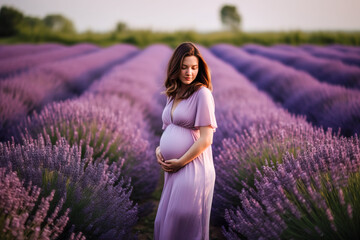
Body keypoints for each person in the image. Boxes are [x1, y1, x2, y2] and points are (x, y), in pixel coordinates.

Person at [154, 42, 217, 240]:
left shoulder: (202, 94)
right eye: (184, 67)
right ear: (175, 68)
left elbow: (206, 139)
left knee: (181, 218)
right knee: (164, 221)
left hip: (193, 166)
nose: (189, 72)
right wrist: (159, 150)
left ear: (199, 69)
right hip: (173, 169)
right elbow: (168, 130)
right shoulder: (173, 94)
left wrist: (181, 161)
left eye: (194, 67)